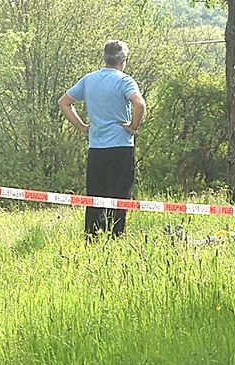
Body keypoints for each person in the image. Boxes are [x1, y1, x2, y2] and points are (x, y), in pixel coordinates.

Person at [59, 40, 146, 240]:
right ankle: (116, 237)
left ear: (104, 58)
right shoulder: (125, 81)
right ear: (123, 60)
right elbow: (139, 104)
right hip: (121, 147)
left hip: (96, 147)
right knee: (120, 196)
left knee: (95, 195)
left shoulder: (89, 79)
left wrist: (82, 126)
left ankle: (92, 238)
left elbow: (64, 103)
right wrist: (133, 127)